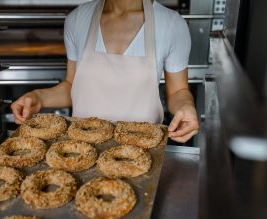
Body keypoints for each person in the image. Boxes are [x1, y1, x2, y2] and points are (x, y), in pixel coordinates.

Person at [11, 0, 199, 143]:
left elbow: (177, 92)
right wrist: (39, 97)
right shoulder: (77, 19)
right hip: (82, 149)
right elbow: (72, 87)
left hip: (143, 149)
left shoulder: (171, 24)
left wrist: (186, 107)